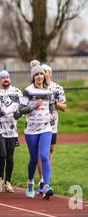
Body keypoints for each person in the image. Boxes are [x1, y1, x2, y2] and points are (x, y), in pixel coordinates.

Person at [19, 60, 57, 200]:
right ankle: (30, 182)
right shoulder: (28, 91)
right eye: (37, 74)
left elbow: (52, 107)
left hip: (46, 128)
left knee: (44, 156)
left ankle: (46, 186)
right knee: (34, 159)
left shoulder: (49, 91)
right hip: (31, 130)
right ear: (33, 77)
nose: (40, 76)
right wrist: (33, 106)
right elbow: (19, 111)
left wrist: (53, 115)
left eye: (42, 74)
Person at [36, 64, 67, 194]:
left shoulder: (57, 88)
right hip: (39, 124)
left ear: (50, 73)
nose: (44, 74)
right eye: (41, 72)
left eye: (46, 72)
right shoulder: (36, 88)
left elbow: (64, 106)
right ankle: (42, 180)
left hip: (52, 124)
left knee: (50, 151)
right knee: (41, 152)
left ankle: (45, 178)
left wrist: (52, 102)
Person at [0, 70, 22, 193]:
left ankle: (8, 182)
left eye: (7, 77)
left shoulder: (17, 91)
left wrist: (19, 113)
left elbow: (23, 106)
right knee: (2, 154)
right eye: (3, 77)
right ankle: (0, 178)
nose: (6, 79)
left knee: (10, 157)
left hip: (12, 129)